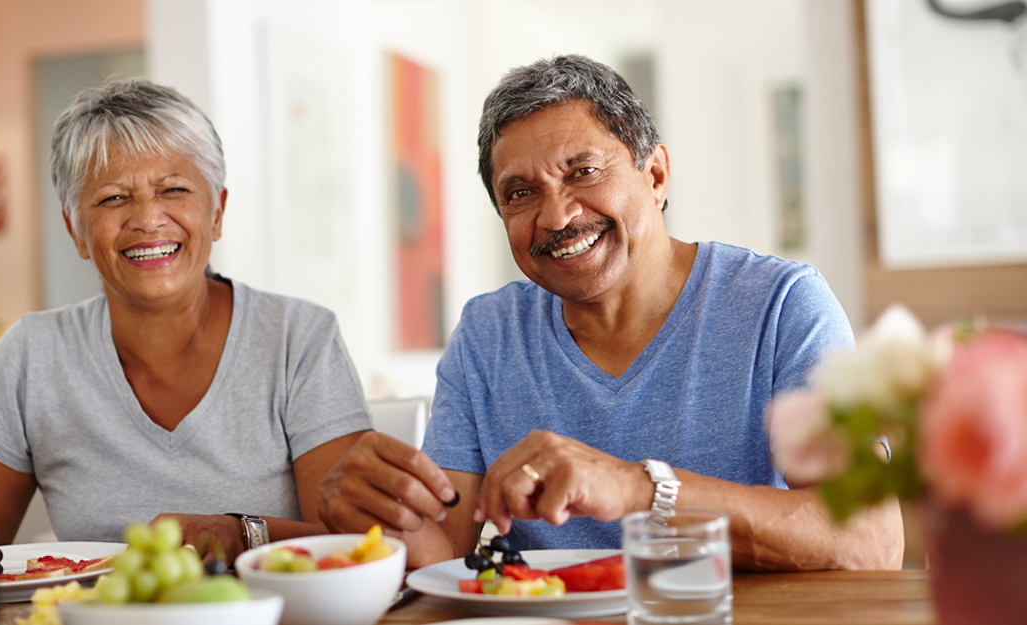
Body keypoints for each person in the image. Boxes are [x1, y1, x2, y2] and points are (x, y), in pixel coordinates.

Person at [318, 55, 903, 571]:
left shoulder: (782, 306)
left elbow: (868, 540)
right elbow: (443, 553)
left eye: (583, 172)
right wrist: (374, 514)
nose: (555, 216)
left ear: (655, 175)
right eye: (520, 193)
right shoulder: (488, 333)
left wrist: (639, 488)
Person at [0, 79, 372, 560]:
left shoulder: (299, 338)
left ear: (217, 211)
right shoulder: (32, 354)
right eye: (113, 197)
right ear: (75, 228)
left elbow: (357, 544)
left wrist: (240, 533)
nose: (147, 219)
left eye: (174, 189)